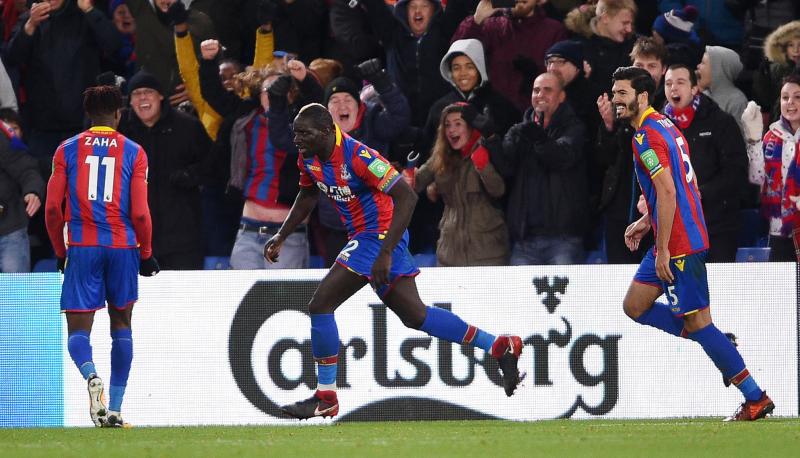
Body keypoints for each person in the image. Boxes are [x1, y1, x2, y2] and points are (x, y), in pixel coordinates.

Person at [268, 104, 523, 419]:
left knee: (321, 305)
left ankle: (325, 396)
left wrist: (385, 251)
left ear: (325, 131)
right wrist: (281, 235)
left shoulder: (359, 156)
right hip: (368, 238)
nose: (296, 139)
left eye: (303, 133)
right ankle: (498, 345)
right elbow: (308, 195)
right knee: (416, 316)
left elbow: (407, 196)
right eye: (295, 132)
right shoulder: (308, 157)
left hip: (378, 235)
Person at [612, 66, 774, 421]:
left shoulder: (646, 137)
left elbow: (669, 191)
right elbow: (689, 183)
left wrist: (664, 248)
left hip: (679, 243)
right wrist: (646, 221)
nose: (615, 100)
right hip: (676, 234)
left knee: (700, 323)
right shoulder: (667, 125)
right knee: (635, 305)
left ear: (642, 96)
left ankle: (755, 397)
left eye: (622, 93)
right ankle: (716, 342)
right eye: (614, 93)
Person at [44, 85, 160, 428]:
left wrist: (61, 251)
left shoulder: (66, 150)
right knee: (121, 325)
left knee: (78, 332)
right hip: (123, 248)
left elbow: (52, 209)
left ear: (88, 115)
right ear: (118, 115)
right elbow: (140, 213)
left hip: (83, 247)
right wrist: (146, 253)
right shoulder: (134, 152)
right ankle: (116, 410)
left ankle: (91, 376)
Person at [118, 70, 211, 270]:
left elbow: (212, 165)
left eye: (148, 92)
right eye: (136, 93)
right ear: (130, 101)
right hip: (133, 240)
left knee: (183, 290)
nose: (143, 97)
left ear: (161, 96)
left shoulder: (188, 127)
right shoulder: (120, 131)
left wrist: (190, 176)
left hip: (182, 239)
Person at [494, 72, 589, 265]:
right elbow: (504, 168)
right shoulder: (520, 130)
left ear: (561, 96)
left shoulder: (575, 128)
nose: (540, 95)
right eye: (536, 90)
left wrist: (540, 139)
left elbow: (562, 157)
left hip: (564, 240)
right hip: (525, 241)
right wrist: (491, 139)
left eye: (547, 90)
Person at [662, 63, 748, 262]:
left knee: (716, 281)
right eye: (668, 83)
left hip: (717, 225)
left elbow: (736, 170)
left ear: (694, 89)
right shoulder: (659, 126)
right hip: (674, 227)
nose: (673, 88)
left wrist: (701, 193)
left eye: (680, 82)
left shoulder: (720, 122)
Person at [413, 103, 509, 266]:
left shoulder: (488, 149)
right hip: (449, 253)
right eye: (447, 125)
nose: (451, 130)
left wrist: (483, 166)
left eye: (458, 124)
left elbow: (498, 190)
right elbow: (416, 183)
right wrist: (408, 177)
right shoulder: (440, 157)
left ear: (471, 127)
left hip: (487, 252)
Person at [452, 0, 567, 111]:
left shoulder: (555, 30)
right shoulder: (491, 26)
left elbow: (560, 78)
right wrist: (476, 20)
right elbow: (456, 55)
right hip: (493, 114)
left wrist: (535, 73)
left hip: (536, 114)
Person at [741, 75, 800, 262]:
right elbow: (757, 177)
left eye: (797, 97)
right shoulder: (771, 136)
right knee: (782, 281)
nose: (790, 102)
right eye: (785, 97)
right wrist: (754, 140)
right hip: (778, 229)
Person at [0, 121, 43, 272]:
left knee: (15, 287)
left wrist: (33, 191)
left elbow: (27, 169)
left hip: (8, 228)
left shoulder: (2, 134)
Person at [753, 20, 800, 124]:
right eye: (791, 45)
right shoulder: (775, 70)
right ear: (784, 48)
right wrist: (763, 76)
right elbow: (766, 99)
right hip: (779, 122)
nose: (796, 50)